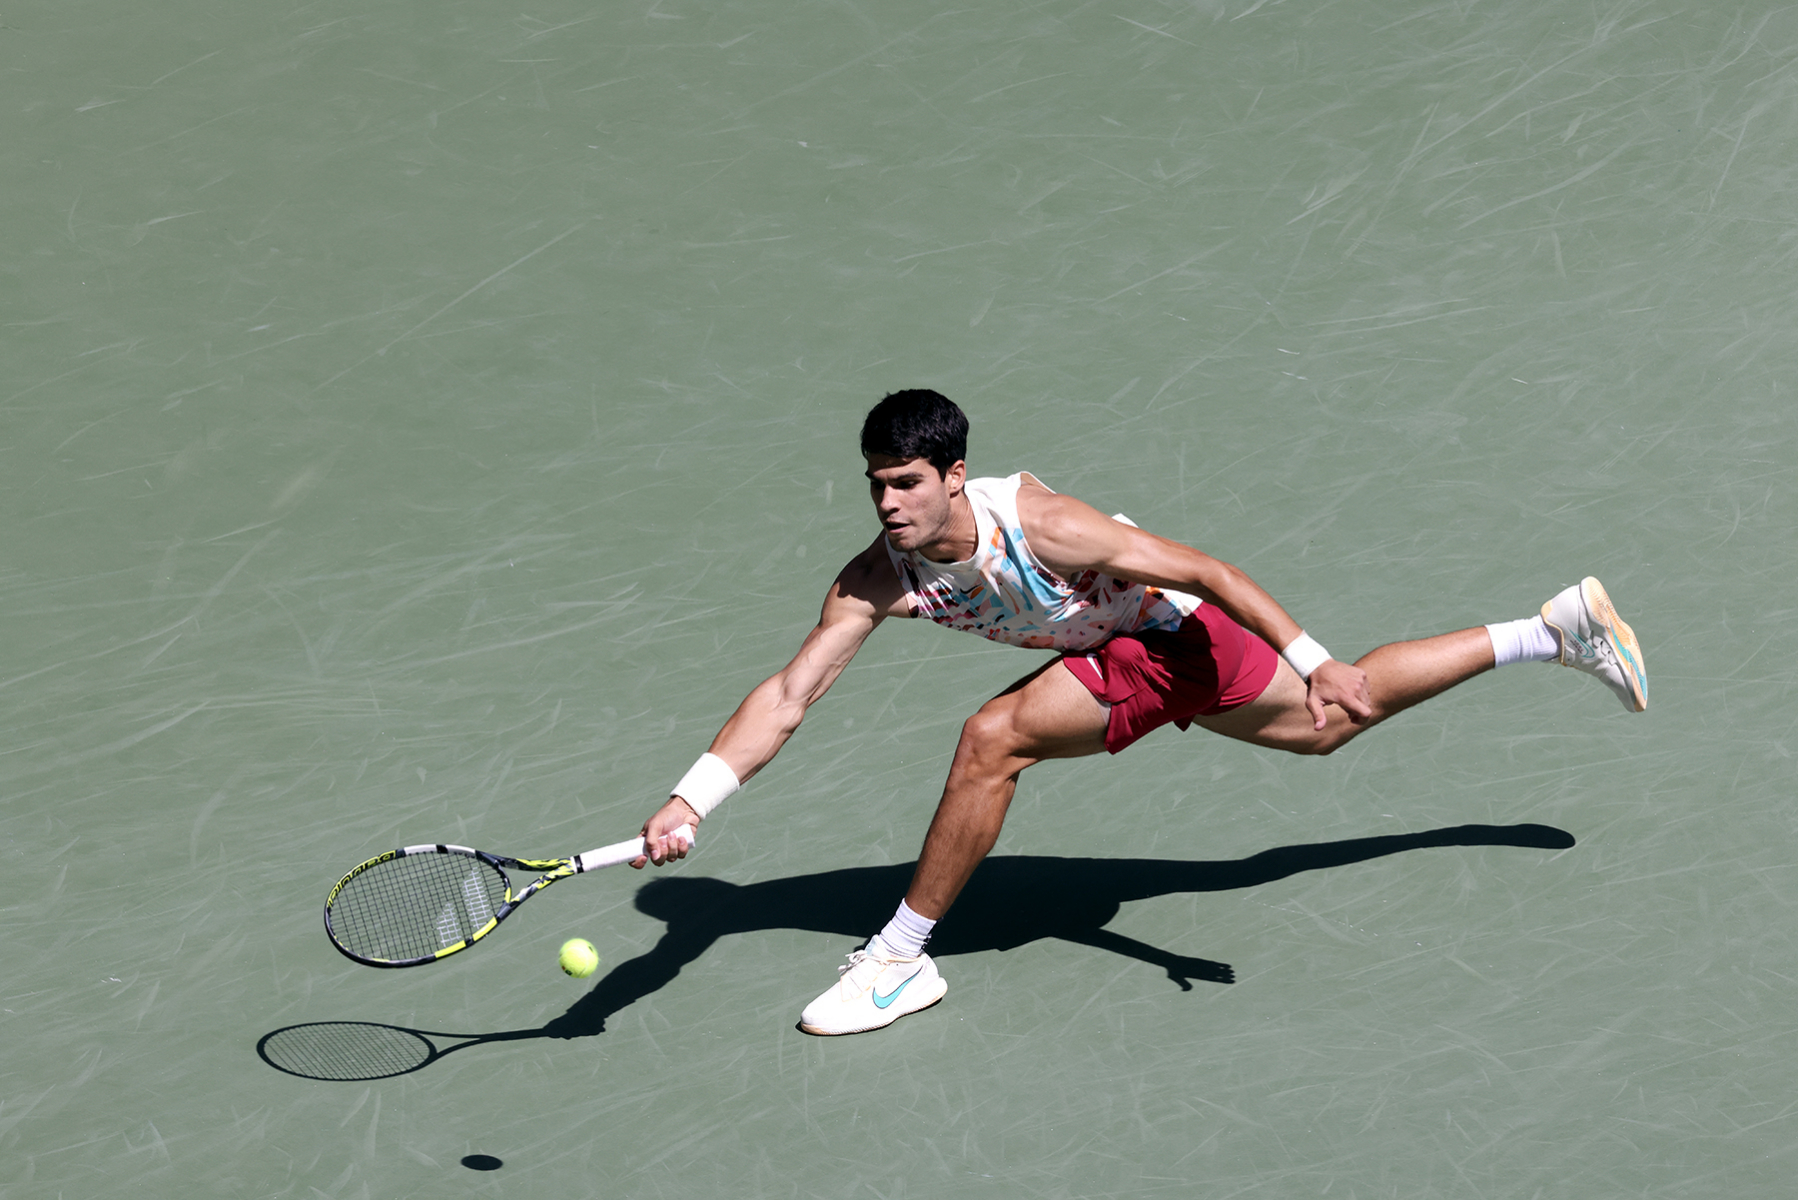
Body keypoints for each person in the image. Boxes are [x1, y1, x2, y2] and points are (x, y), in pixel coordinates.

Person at [632, 390, 1647, 1036]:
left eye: (906, 484)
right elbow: (789, 692)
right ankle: (1550, 631)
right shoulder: (875, 577)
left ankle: (897, 962)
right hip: (1127, 654)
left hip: (1170, 638)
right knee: (1335, 721)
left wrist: (1307, 653)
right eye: (874, 487)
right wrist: (693, 801)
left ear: (951, 475)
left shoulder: (1045, 528)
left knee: (994, 740)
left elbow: (1206, 568)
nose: (888, 505)